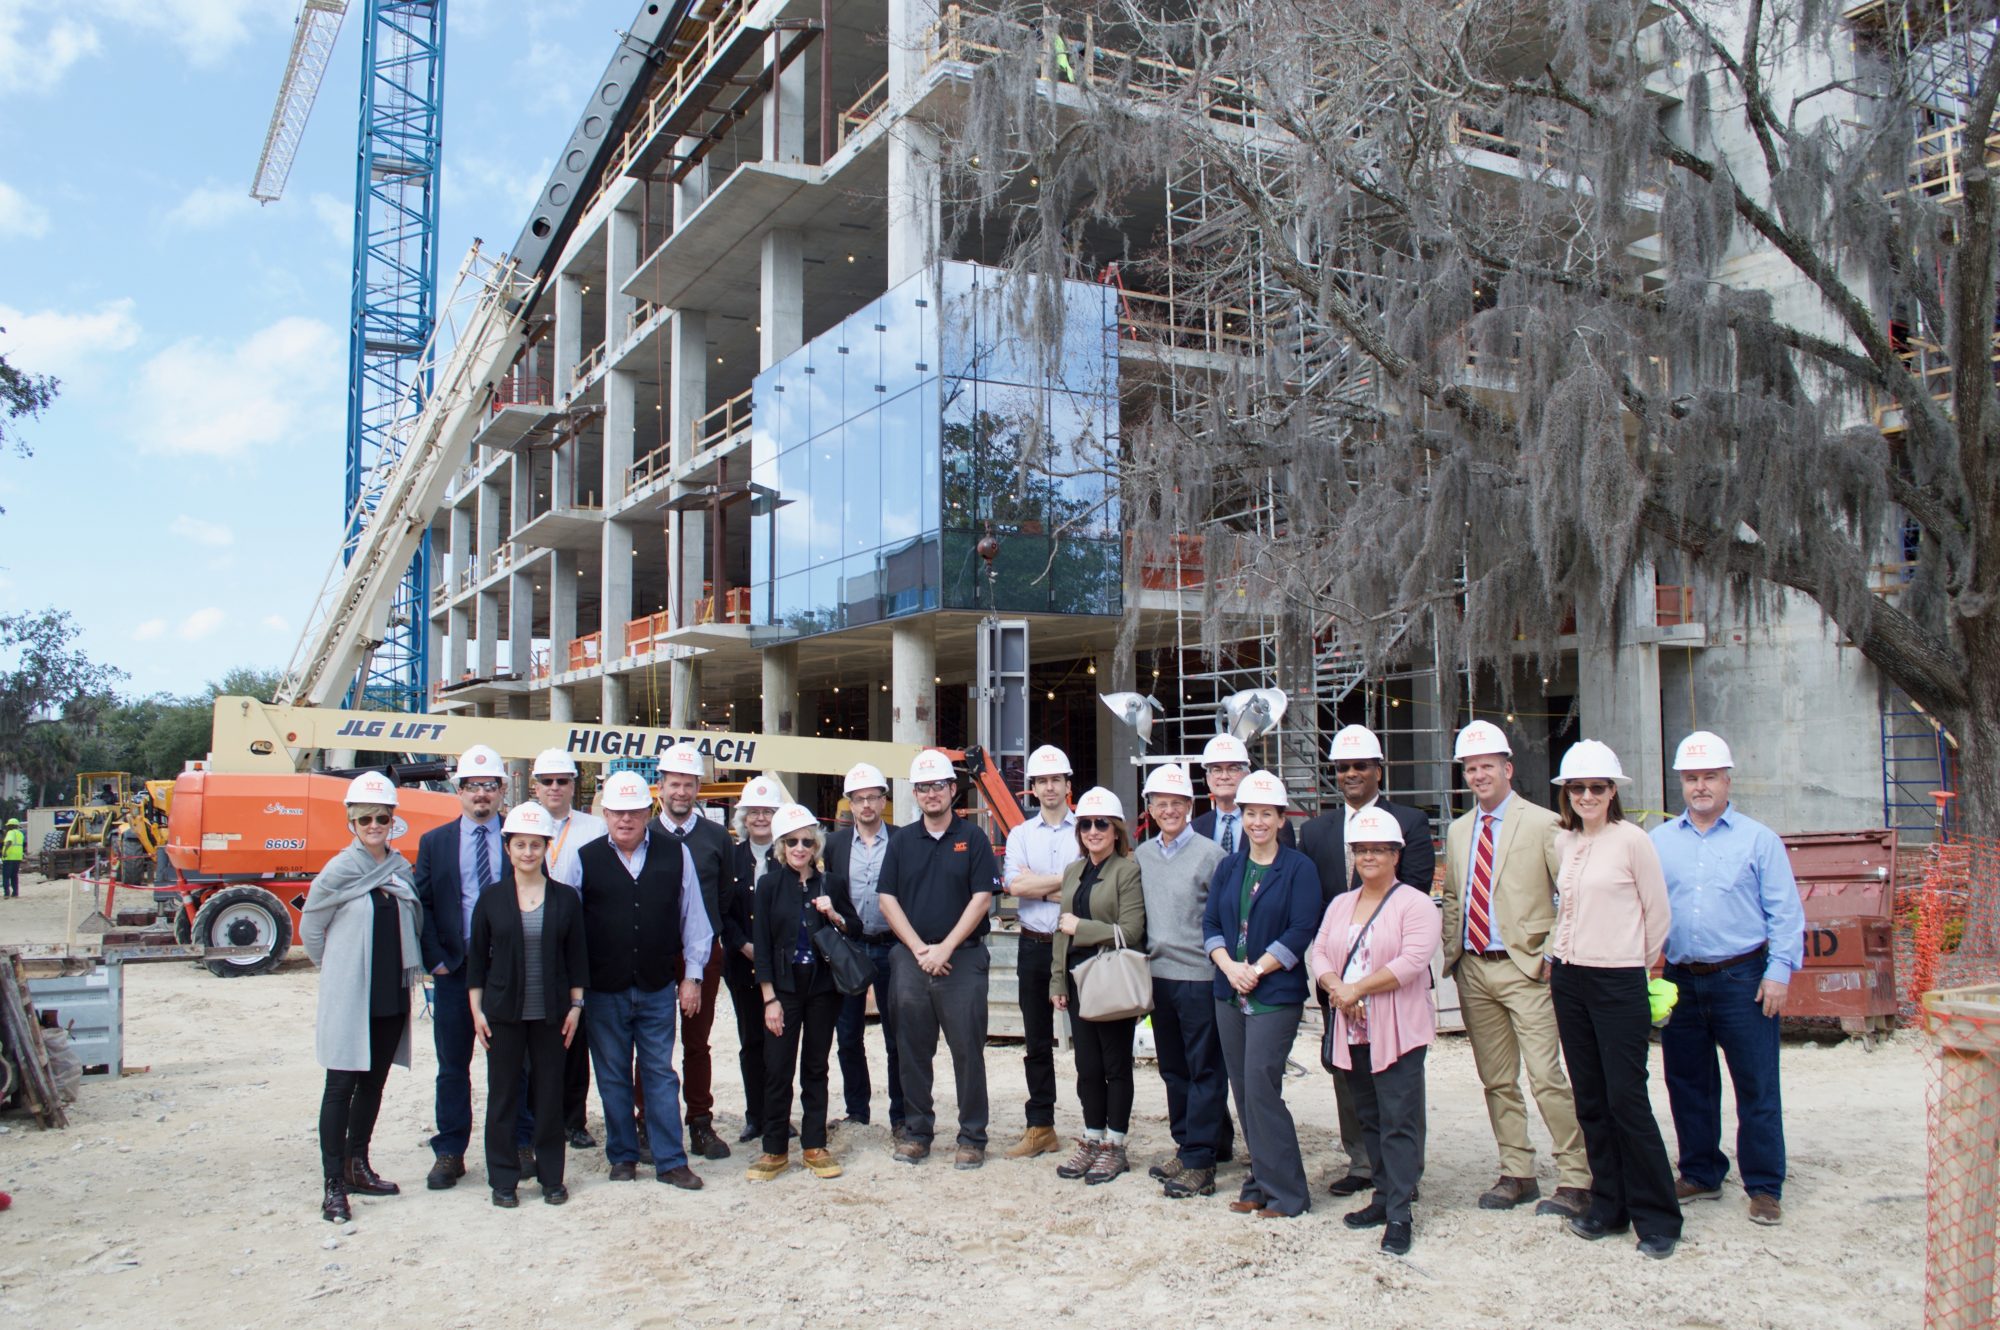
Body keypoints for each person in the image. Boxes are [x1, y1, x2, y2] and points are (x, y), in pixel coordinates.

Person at [1438, 720, 1590, 1217]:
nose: (1479, 775)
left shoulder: (1544, 824)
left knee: (1547, 1075)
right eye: (1470, 768)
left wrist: (1550, 953)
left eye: (1487, 766)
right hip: (1476, 969)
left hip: (1526, 969)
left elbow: (1569, 894)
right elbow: (1455, 897)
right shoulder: (1460, 831)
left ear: (1508, 768)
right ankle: (1517, 1170)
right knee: (1497, 1078)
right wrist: (1451, 955)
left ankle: (1575, 1175)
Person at [1652, 730, 1805, 1228]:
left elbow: (1785, 912)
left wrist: (1778, 972)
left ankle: (1764, 1185)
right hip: (1681, 976)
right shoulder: (1659, 842)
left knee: (1756, 1084)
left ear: (1727, 779)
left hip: (1744, 977)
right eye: (1692, 778)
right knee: (1688, 1082)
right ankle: (1700, 1172)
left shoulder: (1758, 840)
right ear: (1681, 781)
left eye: (1709, 777)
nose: (1700, 786)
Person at [1548, 740, 1681, 1259]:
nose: (1586, 796)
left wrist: (1632, 964)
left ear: (1612, 792)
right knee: (1592, 1099)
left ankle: (1658, 1216)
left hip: (1619, 979)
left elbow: (1658, 914)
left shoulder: (1633, 842)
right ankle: (1609, 1203)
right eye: (1577, 788)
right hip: (1570, 977)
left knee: (1628, 1099)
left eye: (1596, 787)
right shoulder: (1566, 843)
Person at [1298, 723, 1436, 1197]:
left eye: (1361, 765)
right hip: (1337, 977)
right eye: (1343, 767)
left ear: (1379, 769)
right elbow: (1312, 905)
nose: (1352, 773)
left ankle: (1402, 1173)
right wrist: (1335, 980)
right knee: (1348, 1075)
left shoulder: (1410, 822)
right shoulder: (1316, 831)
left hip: (1388, 977)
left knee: (1397, 1079)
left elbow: (1413, 896)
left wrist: (1365, 980)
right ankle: (1361, 1162)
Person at [1308, 806, 1442, 1256]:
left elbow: (1411, 961)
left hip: (1397, 1028)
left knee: (1399, 1119)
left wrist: (1355, 989)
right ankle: (1383, 1196)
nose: (1368, 857)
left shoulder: (1415, 904)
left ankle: (1401, 1211)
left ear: (1396, 855)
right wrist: (1336, 987)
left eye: (1378, 850)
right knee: (1370, 1116)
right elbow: (1321, 952)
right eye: (1361, 850)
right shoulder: (1341, 903)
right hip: (1353, 1030)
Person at [576, 769, 712, 1190]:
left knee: (660, 1073)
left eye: (633, 812)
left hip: (656, 986)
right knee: (612, 1075)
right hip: (604, 988)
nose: (625, 820)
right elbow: (571, 928)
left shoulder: (675, 854)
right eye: (617, 812)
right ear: (605, 814)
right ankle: (622, 1156)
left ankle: (671, 1160)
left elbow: (695, 920)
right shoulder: (585, 858)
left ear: (646, 810)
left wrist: (692, 976)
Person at [299, 772, 422, 1223]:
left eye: (382, 818)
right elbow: (312, 929)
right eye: (366, 818)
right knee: (340, 1087)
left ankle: (358, 1165)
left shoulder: (399, 867)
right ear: (351, 821)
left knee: (373, 1084)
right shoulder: (339, 869)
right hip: (352, 996)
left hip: (389, 994)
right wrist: (338, 970)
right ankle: (334, 1183)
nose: (374, 825)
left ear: (393, 820)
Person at [1202, 769, 1323, 1219]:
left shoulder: (1298, 868)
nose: (1257, 822)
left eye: (1266, 814)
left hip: (1274, 993)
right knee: (1242, 1088)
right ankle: (1259, 1180)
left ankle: (1288, 1193)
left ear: (1280, 819)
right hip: (1229, 990)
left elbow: (1301, 928)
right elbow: (1211, 924)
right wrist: (1229, 967)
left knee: (1261, 1087)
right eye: (1250, 813)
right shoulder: (1229, 866)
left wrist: (1257, 968)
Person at [412, 743, 528, 1189]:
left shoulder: (516, 840)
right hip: (455, 971)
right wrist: (435, 961)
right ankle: (450, 1151)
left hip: (507, 971)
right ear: (458, 790)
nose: (481, 794)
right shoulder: (435, 843)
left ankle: (520, 1141)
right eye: (472, 786)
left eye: (489, 786)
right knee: (452, 1064)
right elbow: (422, 902)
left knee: (515, 1063)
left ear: (502, 789)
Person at [877, 748, 1000, 1169]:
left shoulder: (975, 838)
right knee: (912, 1050)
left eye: (938, 786)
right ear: (916, 793)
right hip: (912, 958)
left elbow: (982, 897)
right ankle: (917, 1132)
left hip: (961, 959)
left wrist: (945, 947)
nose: (931, 793)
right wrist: (919, 949)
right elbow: (887, 899)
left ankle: (972, 1136)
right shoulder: (901, 842)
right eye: (923, 787)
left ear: (952, 789)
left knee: (968, 1051)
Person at [468, 802, 588, 1207]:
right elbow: (477, 961)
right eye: (520, 845)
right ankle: (504, 1179)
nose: (528, 853)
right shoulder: (492, 899)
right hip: (503, 1015)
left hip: (552, 1015)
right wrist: (477, 1012)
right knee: (503, 1097)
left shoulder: (566, 898)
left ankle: (551, 1177)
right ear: (508, 848)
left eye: (535, 845)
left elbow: (577, 959)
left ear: (546, 847)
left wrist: (575, 1007)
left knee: (549, 1097)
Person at [1134, 762, 1233, 1198]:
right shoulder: (1143, 855)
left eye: (1177, 803)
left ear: (1191, 806)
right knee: (1173, 1069)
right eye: (1161, 803)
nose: (1169, 810)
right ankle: (1190, 1142)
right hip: (1159, 976)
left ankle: (1200, 1160)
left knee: (1204, 1069)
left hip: (1199, 975)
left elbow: (1223, 920)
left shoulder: (1213, 856)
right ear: (1150, 808)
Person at [748, 803, 861, 1182]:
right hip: (783, 988)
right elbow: (761, 945)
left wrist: (834, 914)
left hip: (822, 989)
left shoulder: (832, 884)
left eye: (807, 842)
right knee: (778, 1067)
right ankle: (774, 1148)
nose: (800, 848)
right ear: (781, 846)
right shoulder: (768, 886)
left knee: (816, 1066)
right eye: (793, 842)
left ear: (817, 845)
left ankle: (815, 1144)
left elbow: (855, 929)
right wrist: (769, 998)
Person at [1050, 786, 1147, 1184]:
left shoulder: (1127, 870)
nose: (1093, 831)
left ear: (1116, 829)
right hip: (1078, 979)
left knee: (1115, 1065)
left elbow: (1132, 930)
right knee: (1086, 1066)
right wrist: (1057, 978)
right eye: (1086, 824)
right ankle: (1092, 1137)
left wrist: (1083, 929)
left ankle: (1115, 1144)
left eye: (1100, 824)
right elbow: (1061, 930)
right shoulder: (1074, 871)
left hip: (1111, 978)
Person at [658, 746, 742, 1161]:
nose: (681, 792)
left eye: (688, 785)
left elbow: (724, 894)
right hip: (654, 952)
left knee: (697, 1042)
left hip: (704, 952)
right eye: (674, 784)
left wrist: (712, 941)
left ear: (697, 789)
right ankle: (647, 1120)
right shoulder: (645, 833)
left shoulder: (713, 837)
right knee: (653, 1042)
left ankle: (700, 1121)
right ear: (661, 786)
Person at [1001, 743, 1080, 1160]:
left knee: (1090, 1039)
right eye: (1042, 781)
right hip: (1033, 946)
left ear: (1068, 784)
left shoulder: (1088, 828)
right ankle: (1041, 1126)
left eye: (1056, 779)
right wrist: (1063, 886)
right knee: (1036, 1042)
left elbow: (1090, 893)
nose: (1049, 787)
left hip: (1078, 947)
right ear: (1032, 788)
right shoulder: (1020, 835)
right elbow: (1015, 887)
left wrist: (1040, 885)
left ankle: (1097, 1127)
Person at [531, 747, 607, 1151]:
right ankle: (537, 1120)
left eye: (563, 781)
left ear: (574, 785)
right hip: (531, 946)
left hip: (580, 945)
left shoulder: (593, 829)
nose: (555, 788)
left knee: (575, 1039)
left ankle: (574, 1120)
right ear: (535, 786)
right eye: (548, 781)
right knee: (534, 1039)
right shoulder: (520, 825)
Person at [828, 762, 903, 1136]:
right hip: (850, 948)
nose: (867, 805)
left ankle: (900, 1115)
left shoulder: (904, 840)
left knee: (897, 1037)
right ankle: (857, 1111)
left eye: (873, 797)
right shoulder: (834, 844)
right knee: (848, 1035)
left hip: (893, 947)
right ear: (851, 804)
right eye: (859, 799)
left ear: (883, 800)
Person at [723, 773, 788, 1144]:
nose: (761, 818)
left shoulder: (790, 856)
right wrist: (744, 945)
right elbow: (724, 912)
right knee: (751, 1042)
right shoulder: (730, 859)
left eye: (768, 811)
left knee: (780, 1043)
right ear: (743, 818)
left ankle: (779, 1114)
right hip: (742, 963)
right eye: (754, 812)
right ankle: (755, 1116)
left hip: (781, 967)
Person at [1192, 734, 1295, 850]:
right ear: (1208, 778)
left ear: (1247, 775)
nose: (1224, 776)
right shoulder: (1195, 829)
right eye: (1217, 770)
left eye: (1233, 769)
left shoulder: (1276, 827)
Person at [1, 817, 22, 898]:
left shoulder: (11, 833)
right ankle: (15, 893)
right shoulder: (20, 834)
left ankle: (6, 893)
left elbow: (9, 842)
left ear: (11, 826)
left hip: (9, 857)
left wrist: (5, 851)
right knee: (14, 876)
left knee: (6, 876)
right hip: (17, 857)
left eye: (8, 826)